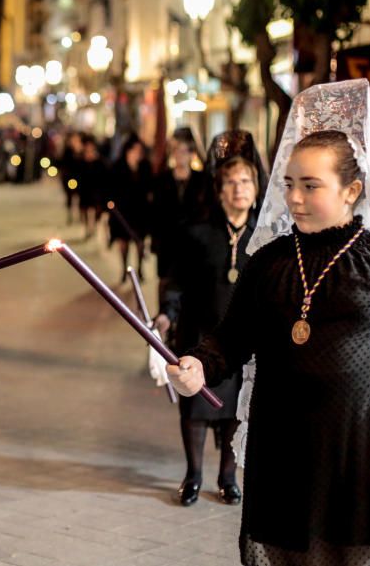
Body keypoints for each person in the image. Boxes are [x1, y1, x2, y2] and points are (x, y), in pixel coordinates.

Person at [167, 80, 370, 565]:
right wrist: (199, 365)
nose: (294, 198)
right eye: (288, 184)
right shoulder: (268, 263)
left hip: (360, 453)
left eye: (310, 186)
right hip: (282, 454)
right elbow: (231, 337)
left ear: (352, 190)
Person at [154, 130, 267, 507]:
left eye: (246, 181)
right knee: (196, 408)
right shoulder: (197, 232)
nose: (239, 189)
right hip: (200, 332)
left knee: (237, 408)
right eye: (231, 182)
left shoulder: (265, 238)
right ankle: (194, 476)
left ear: (256, 188)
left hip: (246, 339)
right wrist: (167, 315)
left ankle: (227, 477)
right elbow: (175, 281)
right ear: (219, 190)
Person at [151, 128, 210, 299]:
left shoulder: (202, 180)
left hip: (193, 245)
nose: (179, 155)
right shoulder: (163, 179)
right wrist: (155, 242)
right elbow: (156, 213)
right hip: (168, 244)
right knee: (166, 286)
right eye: (176, 151)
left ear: (192, 153)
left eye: (184, 151)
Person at [107, 135, 153, 282]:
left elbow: (149, 186)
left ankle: (139, 269)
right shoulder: (118, 166)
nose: (139, 153)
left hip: (140, 210)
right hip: (123, 210)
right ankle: (124, 269)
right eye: (136, 150)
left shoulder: (145, 166)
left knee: (140, 241)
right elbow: (111, 186)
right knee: (123, 242)